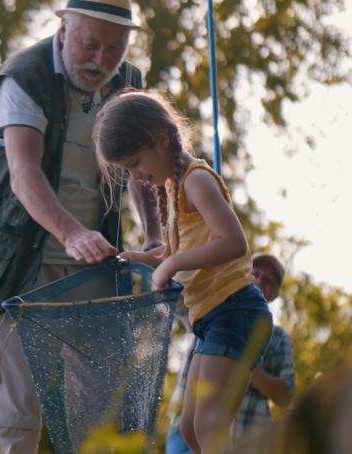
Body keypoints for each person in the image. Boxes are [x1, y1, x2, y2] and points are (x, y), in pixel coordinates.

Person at [0, 1, 162, 452]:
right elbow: (23, 171)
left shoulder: (127, 84)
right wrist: (72, 234)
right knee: (9, 424)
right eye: (90, 44)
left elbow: (139, 165)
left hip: (94, 269)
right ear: (63, 30)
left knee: (107, 419)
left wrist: (155, 236)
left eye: (115, 48)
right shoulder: (22, 79)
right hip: (11, 272)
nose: (101, 60)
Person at [93, 90, 274, 454]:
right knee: (191, 431)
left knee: (210, 428)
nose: (137, 176)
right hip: (211, 319)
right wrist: (140, 259)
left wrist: (172, 264)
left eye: (136, 164)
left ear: (161, 140)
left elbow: (234, 242)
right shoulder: (175, 187)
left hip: (236, 310)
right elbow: (179, 252)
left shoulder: (196, 179)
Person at [165, 252, 295, 453]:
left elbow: (285, 396)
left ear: (276, 293)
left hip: (247, 439)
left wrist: (244, 359)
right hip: (185, 432)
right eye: (255, 273)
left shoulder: (278, 338)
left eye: (269, 280)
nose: (260, 280)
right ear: (242, 273)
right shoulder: (207, 308)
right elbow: (172, 294)